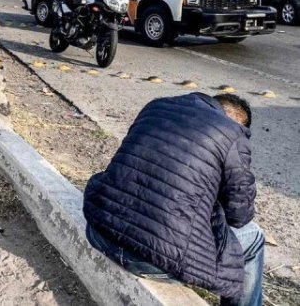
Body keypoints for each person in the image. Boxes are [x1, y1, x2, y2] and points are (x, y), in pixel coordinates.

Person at [83, 93, 263, 306]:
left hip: (100, 234)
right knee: (255, 238)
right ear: (240, 123)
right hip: (148, 262)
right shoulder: (233, 134)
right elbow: (239, 216)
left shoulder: (157, 106)